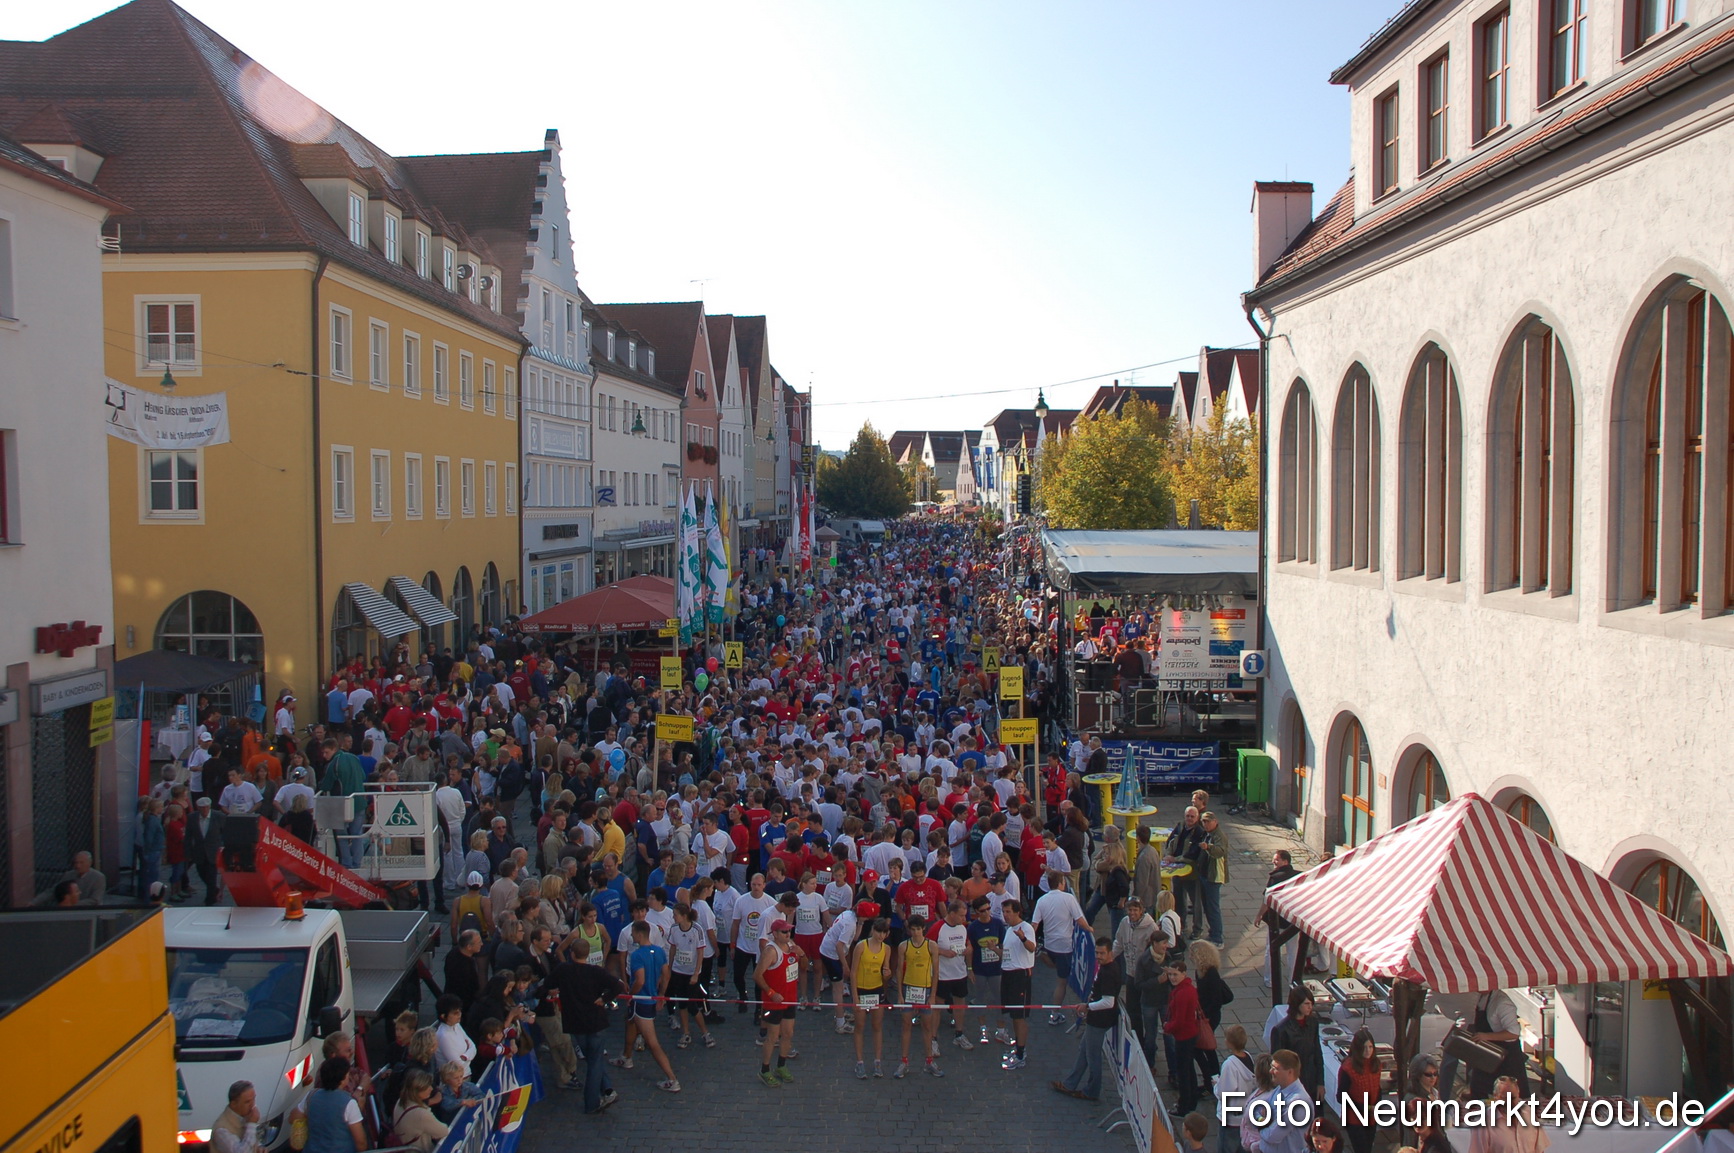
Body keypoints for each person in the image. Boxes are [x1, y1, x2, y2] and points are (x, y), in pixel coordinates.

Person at [550, 935, 625, 1114]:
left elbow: (548, 984)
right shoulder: (596, 972)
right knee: (595, 1059)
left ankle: (607, 1090)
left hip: (575, 1022)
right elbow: (618, 986)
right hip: (595, 1022)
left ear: (572, 953)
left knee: (593, 1058)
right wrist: (605, 998)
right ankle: (593, 1101)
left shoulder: (563, 970)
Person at [611, 921, 681, 1092]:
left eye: (633, 933)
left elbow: (640, 980)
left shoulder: (636, 955)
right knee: (630, 1022)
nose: (632, 936)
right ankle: (626, 1056)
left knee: (652, 1042)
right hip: (650, 1000)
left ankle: (672, 1079)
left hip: (641, 1002)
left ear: (639, 934)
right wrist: (661, 995)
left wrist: (630, 995)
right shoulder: (658, 951)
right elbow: (666, 974)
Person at [1052, 936, 1120, 1101]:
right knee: (1084, 1050)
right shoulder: (1105, 968)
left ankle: (1092, 1090)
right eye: (1096, 952)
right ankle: (1070, 1083)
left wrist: (1087, 1007)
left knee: (1092, 1056)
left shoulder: (1109, 972)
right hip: (1096, 1017)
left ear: (1110, 952)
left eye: (1102, 953)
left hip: (1100, 1020)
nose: (1098, 956)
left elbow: (1108, 1002)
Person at [1032, 870, 1089, 1025]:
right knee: (1063, 982)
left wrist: (1030, 941)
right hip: (1065, 946)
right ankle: (1055, 1013)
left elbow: (1034, 925)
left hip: (1050, 945)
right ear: (1061, 883)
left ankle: (1041, 955)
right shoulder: (1069, 899)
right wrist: (1091, 931)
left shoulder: (1042, 900)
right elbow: (1080, 920)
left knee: (1059, 974)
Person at [894, 914, 942, 1078]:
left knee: (927, 1026)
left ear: (923, 930)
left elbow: (936, 972)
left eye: (918, 929)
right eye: (913, 929)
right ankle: (904, 1062)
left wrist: (933, 995)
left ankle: (929, 1061)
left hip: (926, 990)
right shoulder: (903, 946)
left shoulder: (931, 946)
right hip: (909, 989)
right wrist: (900, 994)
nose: (915, 933)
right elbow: (899, 970)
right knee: (906, 1026)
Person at [850, 916, 892, 1078]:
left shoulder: (886, 949)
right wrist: (855, 996)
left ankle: (877, 1061)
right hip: (861, 989)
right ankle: (860, 1062)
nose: (881, 935)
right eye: (878, 932)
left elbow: (886, 972)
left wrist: (888, 974)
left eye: (884, 933)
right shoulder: (861, 946)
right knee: (860, 1026)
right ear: (873, 930)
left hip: (877, 989)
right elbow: (853, 972)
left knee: (877, 1026)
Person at [1468, 988, 1529, 1099]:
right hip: (1488, 1054)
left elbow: (1513, 1033)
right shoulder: (1483, 997)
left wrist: (1486, 1036)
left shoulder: (1502, 1003)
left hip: (1507, 1058)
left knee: (1509, 1096)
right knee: (1479, 1090)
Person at [999, 898, 1037, 1070]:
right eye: (1004, 912)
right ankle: (1018, 1048)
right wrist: (994, 950)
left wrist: (1023, 938)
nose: (1005, 915)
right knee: (1014, 1015)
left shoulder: (1026, 928)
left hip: (1020, 976)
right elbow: (1007, 953)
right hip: (1007, 974)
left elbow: (1031, 947)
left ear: (1017, 912)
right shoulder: (1008, 930)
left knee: (1020, 1016)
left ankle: (1021, 1054)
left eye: (1008, 912)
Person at [299, 1057, 367, 1152]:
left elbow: (294, 1117)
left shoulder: (311, 1095)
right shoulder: (349, 1103)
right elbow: (361, 1143)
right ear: (342, 1079)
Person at [1163, 956, 1203, 1117]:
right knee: (1188, 1070)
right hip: (1189, 1033)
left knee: (1183, 1072)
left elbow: (1179, 1020)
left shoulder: (1182, 993)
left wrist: (1167, 1027)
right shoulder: (1188, 989)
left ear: (1184, 974)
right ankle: (1191, 1101)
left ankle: (1184, 1105)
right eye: (1171, 974)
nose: (1172, 978)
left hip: (1183, 1036)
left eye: (1175, 975)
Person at [1271, 986, 1325, 1099]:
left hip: (1311, 1080)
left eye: (1311, 1003)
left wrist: (1320, 1082)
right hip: (1292, 1082)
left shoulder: (1313, 1023)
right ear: (1297, 1004)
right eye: (1306, 1004)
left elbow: (1317, 1053)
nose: (1310, 1007)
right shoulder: (1281, 1030)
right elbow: (1277, 1063)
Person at [1259, 1049, 1315, 1153]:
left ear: (1290, 1072)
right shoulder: (1279, 1089)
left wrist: (1261, 1122)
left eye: (1275, 1068)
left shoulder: (1298, 1102)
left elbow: (1272, 1136)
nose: (1270, 1071)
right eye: (1271, 1067)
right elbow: (1261, 1110)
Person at [1336, 1027, 1383, 1153]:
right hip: (1354, 1118)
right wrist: (1365, 1108)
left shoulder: (1376, 1064)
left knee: (1368, 1147)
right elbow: (1341, 1096)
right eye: (1364, 1047)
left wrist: (1377, 1105)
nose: (1368, 1051)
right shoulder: (1348, 1068)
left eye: (1370, 1047)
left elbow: (1377, 1087)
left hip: (1371, 1117)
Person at [1216, 1025, 1258, 1153]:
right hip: (1243, 1114)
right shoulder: (1248, 1057)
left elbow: (1224, 1093)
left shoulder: (1229, 1065)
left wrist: (1216, 1085)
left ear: (1229, 1043)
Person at [1403, 1054, 1455, 1153]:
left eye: (1435, 1074)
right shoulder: (1411, 1099)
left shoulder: (1435, 1093)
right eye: (1428, 1074)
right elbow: (1410, 1133)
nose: (1433, 1078)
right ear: (1417, 1075)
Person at [390, 1069, 450, 1152]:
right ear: (416, 1091)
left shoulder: (400, 1101)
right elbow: (444, 1131)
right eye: (427, 1087)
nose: (431, 1088)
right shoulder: (421, 1114)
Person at [1196, 811, 1229, 946]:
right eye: (1203, 822)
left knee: (1213, 908)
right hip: (1205, 874)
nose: (1205, 824)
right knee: (1207, 907)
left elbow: (1220, 851)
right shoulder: (1207, 833)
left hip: (1214, 877)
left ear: (1215, 821)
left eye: (1208, 821)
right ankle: (1213, 932)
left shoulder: (1219, 835)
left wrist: (1208, 847)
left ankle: (1217, 938)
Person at [209, 1080, 260, 1153]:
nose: (253, 1105)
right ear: (233, 1104)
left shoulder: (246, 1117)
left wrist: (259, 1147)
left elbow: (250, 1141)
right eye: (247, 1102)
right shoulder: (221, 1130)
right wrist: (251, 1124)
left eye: (254, 1099)